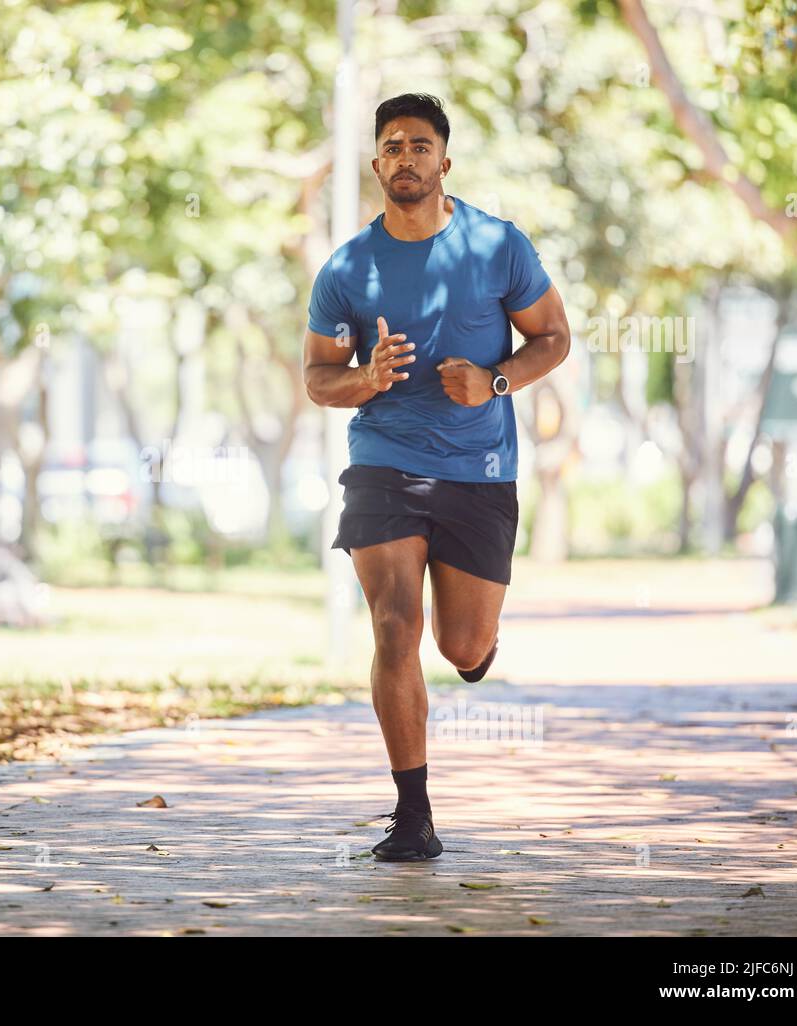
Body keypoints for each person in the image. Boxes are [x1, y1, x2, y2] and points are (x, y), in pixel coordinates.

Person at [302, 93, 571, 861]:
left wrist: (491, 382)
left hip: (480, 471)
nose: (407, 157)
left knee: (459, 645)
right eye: (392, 146)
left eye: (421, 145)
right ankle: (413, 815)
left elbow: (553, 337)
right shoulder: (348, 268)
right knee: (394, 626)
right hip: (384, 463)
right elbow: (319, 380)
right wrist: (367, 379)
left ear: (444, 161)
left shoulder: (497, 245)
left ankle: (477, 649)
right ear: (377, 163)